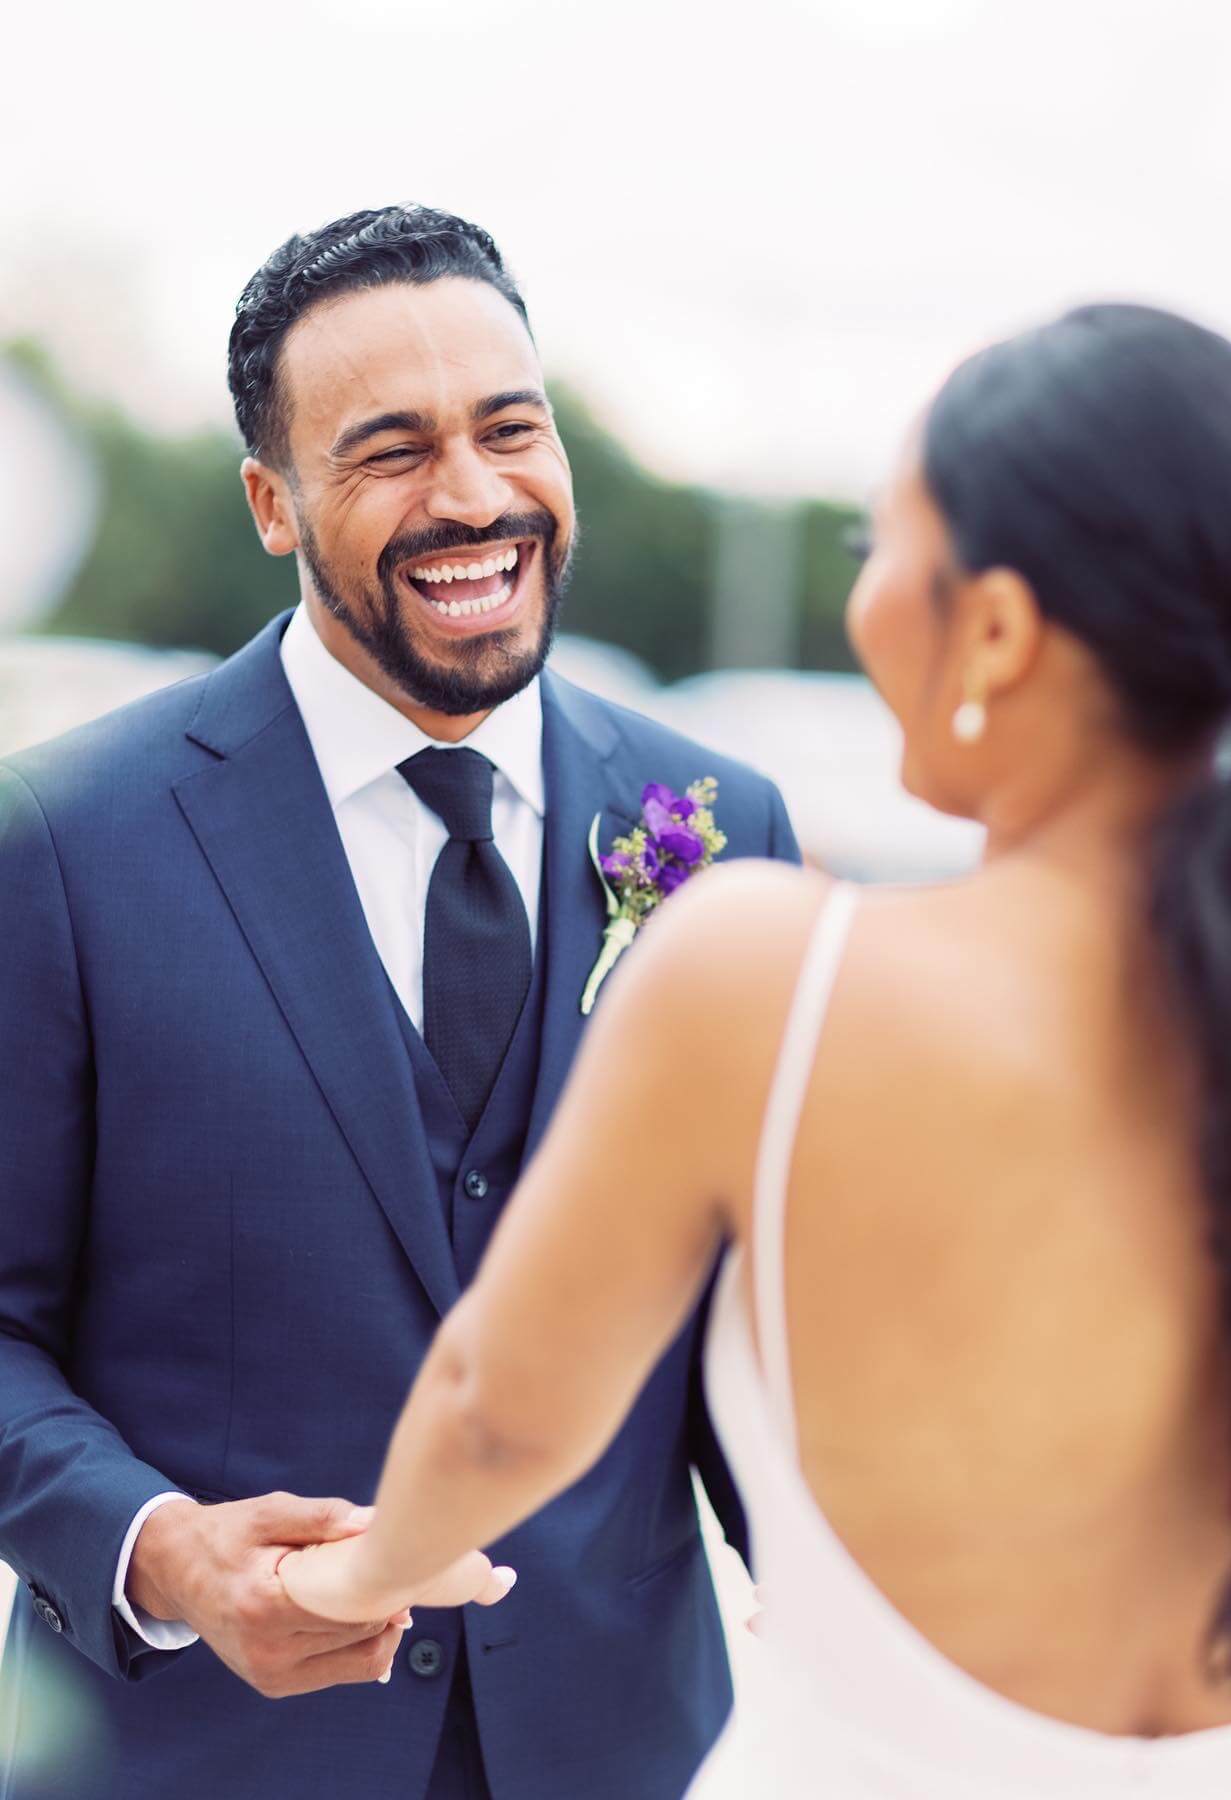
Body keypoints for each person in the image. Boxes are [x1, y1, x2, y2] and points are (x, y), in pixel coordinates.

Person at [278, 303, 1231, 1798]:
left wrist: (355, 1578)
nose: (864, 602)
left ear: (1001, 629)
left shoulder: (777, 978)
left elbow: (499, 1411)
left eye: (877, 549)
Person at [0, 205, 800, 1800]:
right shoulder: (64, 841)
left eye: (512, 428)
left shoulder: (725, 825)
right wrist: (164, 1556)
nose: (475, 496)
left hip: (617, 1752)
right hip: (199, 1760)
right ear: (271, 504)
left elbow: (754, 1317)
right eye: (391, 449)